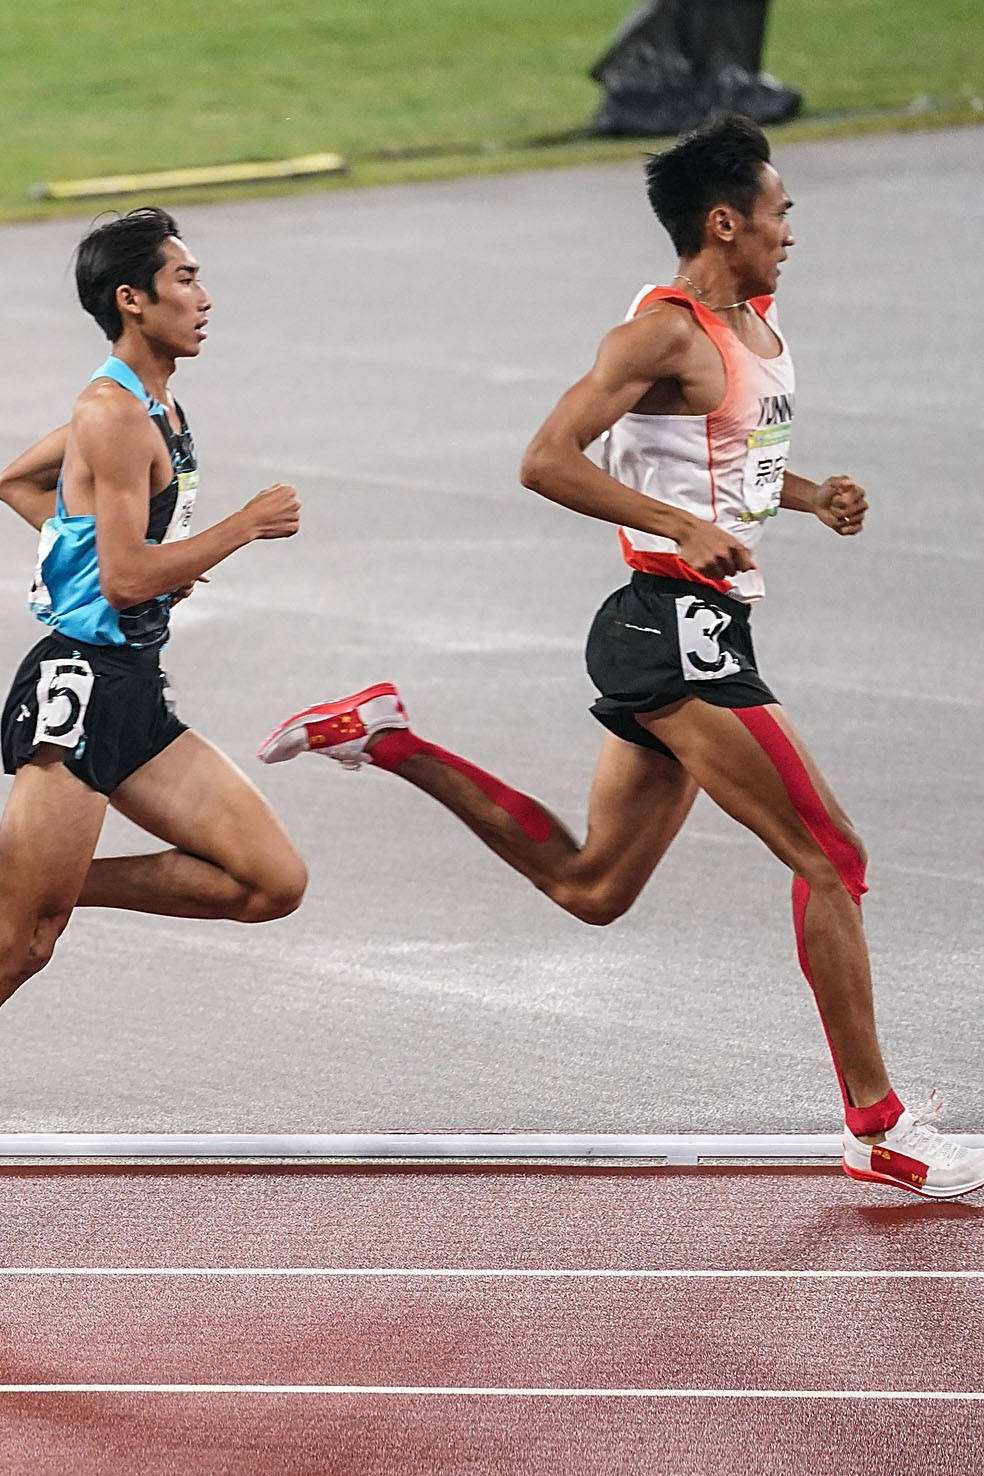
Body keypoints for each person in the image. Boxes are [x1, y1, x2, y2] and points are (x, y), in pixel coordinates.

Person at [257, 116, 976, 1199]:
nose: (792, 231)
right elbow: (545, 461)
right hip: (670, 623)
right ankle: (876, 1127)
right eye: (780, 211)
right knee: (831, 854)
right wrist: (676, 527)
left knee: (593, 887)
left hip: (698, 623)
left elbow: (727, 459)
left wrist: (812, 494)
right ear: (724, 222)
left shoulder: (758, 323)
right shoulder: (660, 335)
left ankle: (388, 737)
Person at [0, 207, 307, 1159]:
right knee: (15, 949)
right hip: (78, 685)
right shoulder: (109, 414)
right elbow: (126, 577)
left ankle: (53, 886)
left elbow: (20, 485)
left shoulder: (149, 408)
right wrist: (238, 528)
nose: (206, 296)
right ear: (131, 300)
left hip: (132, 686)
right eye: (185, 279)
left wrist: (147, 550)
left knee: (270, 880)